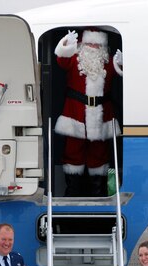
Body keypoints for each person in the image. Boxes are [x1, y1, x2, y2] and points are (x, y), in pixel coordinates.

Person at [54, 28, 123, 197]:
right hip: (75, 114)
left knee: (99, 156)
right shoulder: (75, 58)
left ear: (103, 47)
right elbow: (61, 61)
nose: (93, 46)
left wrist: (121, 63)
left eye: (97, 44)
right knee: (72, 154)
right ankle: (72, 192)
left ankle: (99, 193)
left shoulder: (108, 62)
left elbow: (121, 72)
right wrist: (65, 45)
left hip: (102, 116)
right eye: (90, 43)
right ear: (83, 44)